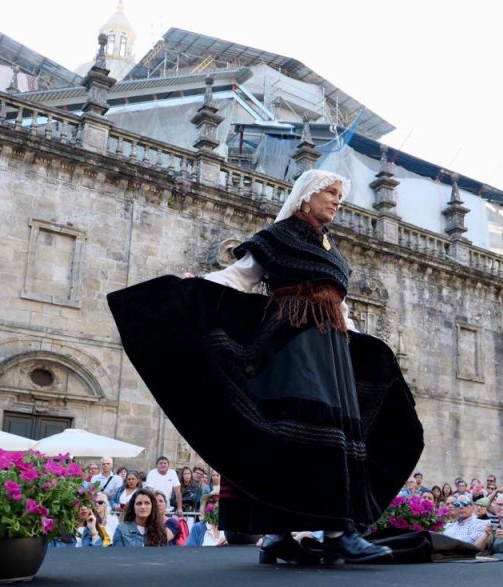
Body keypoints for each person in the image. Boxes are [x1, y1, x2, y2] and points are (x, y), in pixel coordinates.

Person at [107, 169, 422, 565]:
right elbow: (240, 276)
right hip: (292, 342)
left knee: (329, 429)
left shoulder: (332, 250)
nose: (337, 199)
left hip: (330, 346)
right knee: (298, 427)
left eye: (340, 193)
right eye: (330, 191)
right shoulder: (279, 236)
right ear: (306, 196)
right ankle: (306, 534)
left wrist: (360, 341)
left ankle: (303, 534)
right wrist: (195, 284)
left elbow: (339, 306)